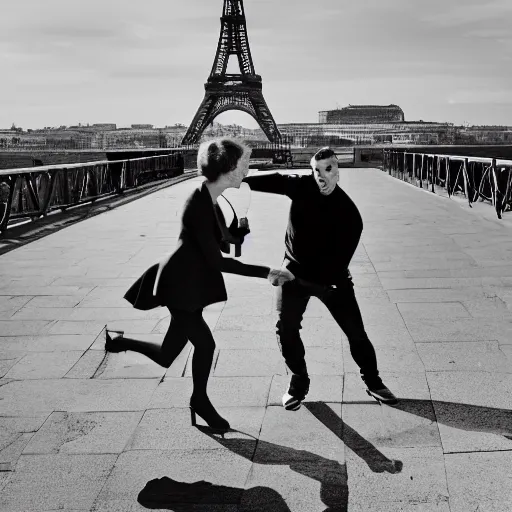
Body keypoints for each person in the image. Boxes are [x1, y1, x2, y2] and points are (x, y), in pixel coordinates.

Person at [105, 138, 294, 432]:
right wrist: (267, 271)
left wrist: (236, 232)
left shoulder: (212, 198)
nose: (246, 169)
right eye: (242, 164)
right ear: (229, 170)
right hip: (178, 283)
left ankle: (120, 342)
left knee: (168, 356)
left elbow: (220, 241)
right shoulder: (199, 204)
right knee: (206, 345)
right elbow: (217, 261)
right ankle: (200, 401)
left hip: (189, 283)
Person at [243, 147, 398, 410]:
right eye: (317, 170)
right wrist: (240, 180)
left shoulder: (350, 214)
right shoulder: (303, 187)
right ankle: (298, 383)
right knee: (286, 330)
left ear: (338, 172)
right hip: (291, 273)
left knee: (356, 334)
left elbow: (337, 263)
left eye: (328, 170)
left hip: (331, 279)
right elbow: (278, 181)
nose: (322, 176)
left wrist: (305, 277)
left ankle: (373, 381)